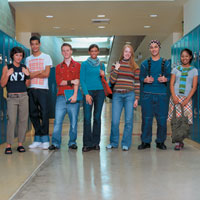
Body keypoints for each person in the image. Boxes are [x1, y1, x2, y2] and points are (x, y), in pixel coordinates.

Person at [138, 40, 171, 150]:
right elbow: (140, 78)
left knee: (162, 120)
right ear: (149, 49)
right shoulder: (144, 64)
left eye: (155, 47)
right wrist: (145, 79)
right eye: (151, 47)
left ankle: (160, 141)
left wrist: (166, 79)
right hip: (148, 95)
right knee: (146, 119)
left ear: (159, 48)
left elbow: (171, 77)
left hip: (162, 95)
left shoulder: (166, 63)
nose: (153, 49)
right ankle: (145, 141)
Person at [106, 44, 140, 151]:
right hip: (117, 96)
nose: (127, 54)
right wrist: (116, 69)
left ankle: (125, 143)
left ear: (132, 54)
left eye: (129, 52)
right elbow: (112, 81)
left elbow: (137, 83)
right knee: (115, 121)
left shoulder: (135, 67)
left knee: (129, 121)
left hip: (130, 95)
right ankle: (114, 142)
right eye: (126, 51)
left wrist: (137, 98)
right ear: (123, 52)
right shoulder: (116, 64)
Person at [48, 43, 81, 150]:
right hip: (61, 97)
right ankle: (56, 143)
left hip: (73, 97)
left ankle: (72, 142)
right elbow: (59, 82)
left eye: (67, 50)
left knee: (74, 122)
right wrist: (71, 81)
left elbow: (78, 82)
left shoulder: (77, 66)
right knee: (58, 121)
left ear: (71, 51)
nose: (65, 52)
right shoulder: (58, 67)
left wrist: (75, 95)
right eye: (63, 50)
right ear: (61, 52)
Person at [1, 47, 30, 154]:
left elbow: (27, 85)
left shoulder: (24, 67)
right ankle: (8, 145)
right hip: (12, 98)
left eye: (21, 55)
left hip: (23, 96)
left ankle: (20, 144)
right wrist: (8, 74)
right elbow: (2, 84)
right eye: (17, 55)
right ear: (13, 56)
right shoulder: (7, 67)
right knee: (12, 121)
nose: (19, 57)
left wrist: (28, 75)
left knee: (23, 121)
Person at [26, 36, 53, 150]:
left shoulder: (46, 57)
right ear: (30, 45)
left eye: (36, 44)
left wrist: (33, 73)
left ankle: (45, 139)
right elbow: (28, 76)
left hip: (43, 89)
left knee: (44, 114)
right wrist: (39, 71)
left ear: (40, 44)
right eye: (32, 44)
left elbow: (46, 74)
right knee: (33, 114)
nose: (35, 46)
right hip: (31, 89)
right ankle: (37, 138)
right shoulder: (28, 59)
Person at [168, 48, 198, 150]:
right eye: (182, 56)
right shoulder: (175, 69)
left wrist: (187, 99)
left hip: (187, 98)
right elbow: (171, 84)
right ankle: (178, 142)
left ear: (190, 57)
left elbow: (194, 87)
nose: (184, 58)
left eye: (186, 56)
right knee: (176, 120)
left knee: (184, 121)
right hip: (175, 97)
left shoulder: (194, 70)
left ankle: (180, 139)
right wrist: (174, 97)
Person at [80, 44, 105, 152]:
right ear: (89, 52)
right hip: (88, 92)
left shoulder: (101, 65)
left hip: (100, 92)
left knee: (97, 117)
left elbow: (104, 80)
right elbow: (82, 80)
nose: (94, 53)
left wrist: (104, 75)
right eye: (92, 51)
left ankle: (96, 143)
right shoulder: (84, 64)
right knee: (87, 118)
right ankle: (87, 143)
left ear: (98, 52)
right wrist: (86, 94)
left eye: (95, 51)